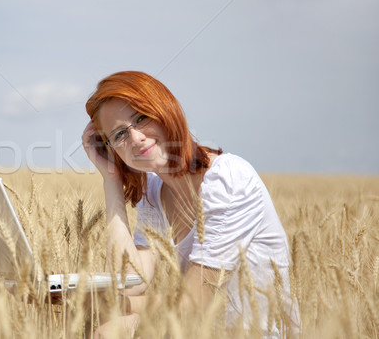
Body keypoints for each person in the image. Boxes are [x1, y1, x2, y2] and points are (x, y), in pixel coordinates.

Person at [81, 71, 299, 338]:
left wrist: (107, 306)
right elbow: (130, 283)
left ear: (165, 110)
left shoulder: (227, 179)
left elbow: (192, 306)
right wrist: (111, 179)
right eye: (119, 135)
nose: (136, 138)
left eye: (141, 118)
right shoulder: (154, 190)